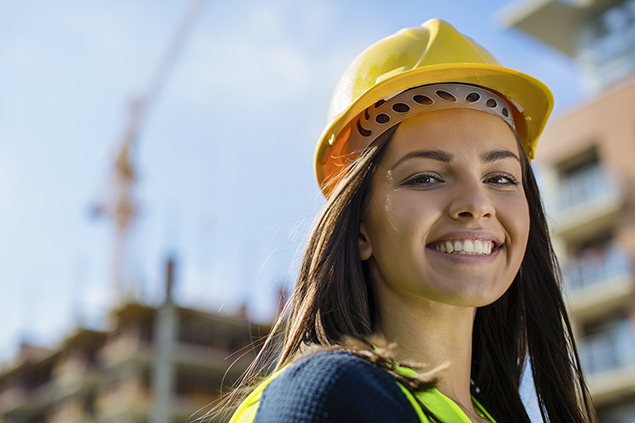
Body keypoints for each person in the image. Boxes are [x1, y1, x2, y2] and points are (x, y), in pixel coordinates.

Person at [213, 19, 597, 423]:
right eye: (426, 178)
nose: (476, 203)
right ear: (360, 228)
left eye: (500, 178)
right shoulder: (332, 395)